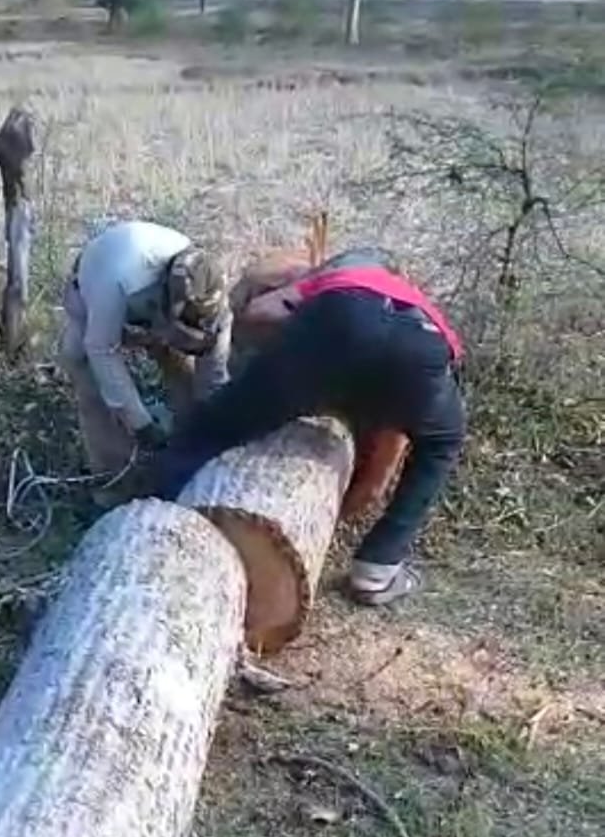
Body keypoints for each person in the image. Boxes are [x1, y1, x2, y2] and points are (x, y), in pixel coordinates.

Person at [147, 248, 465, 606]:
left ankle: (161, 513)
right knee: (443, 443)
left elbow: (260, 311)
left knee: (210, 426)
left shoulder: (337, 277)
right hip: (424, 347)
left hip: (342, 319)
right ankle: (377, 568)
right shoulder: (416, 299)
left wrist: (282, 358)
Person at [57, 220, 232, 477]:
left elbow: (214, 377)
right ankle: (114, 477)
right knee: (85, 369)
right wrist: (142, 425)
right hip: (93, 294)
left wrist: (217, 420)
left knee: (186, 383)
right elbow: (102, 351)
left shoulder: (211, 298)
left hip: (151, 306)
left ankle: (186, 436)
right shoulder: (115, 282)